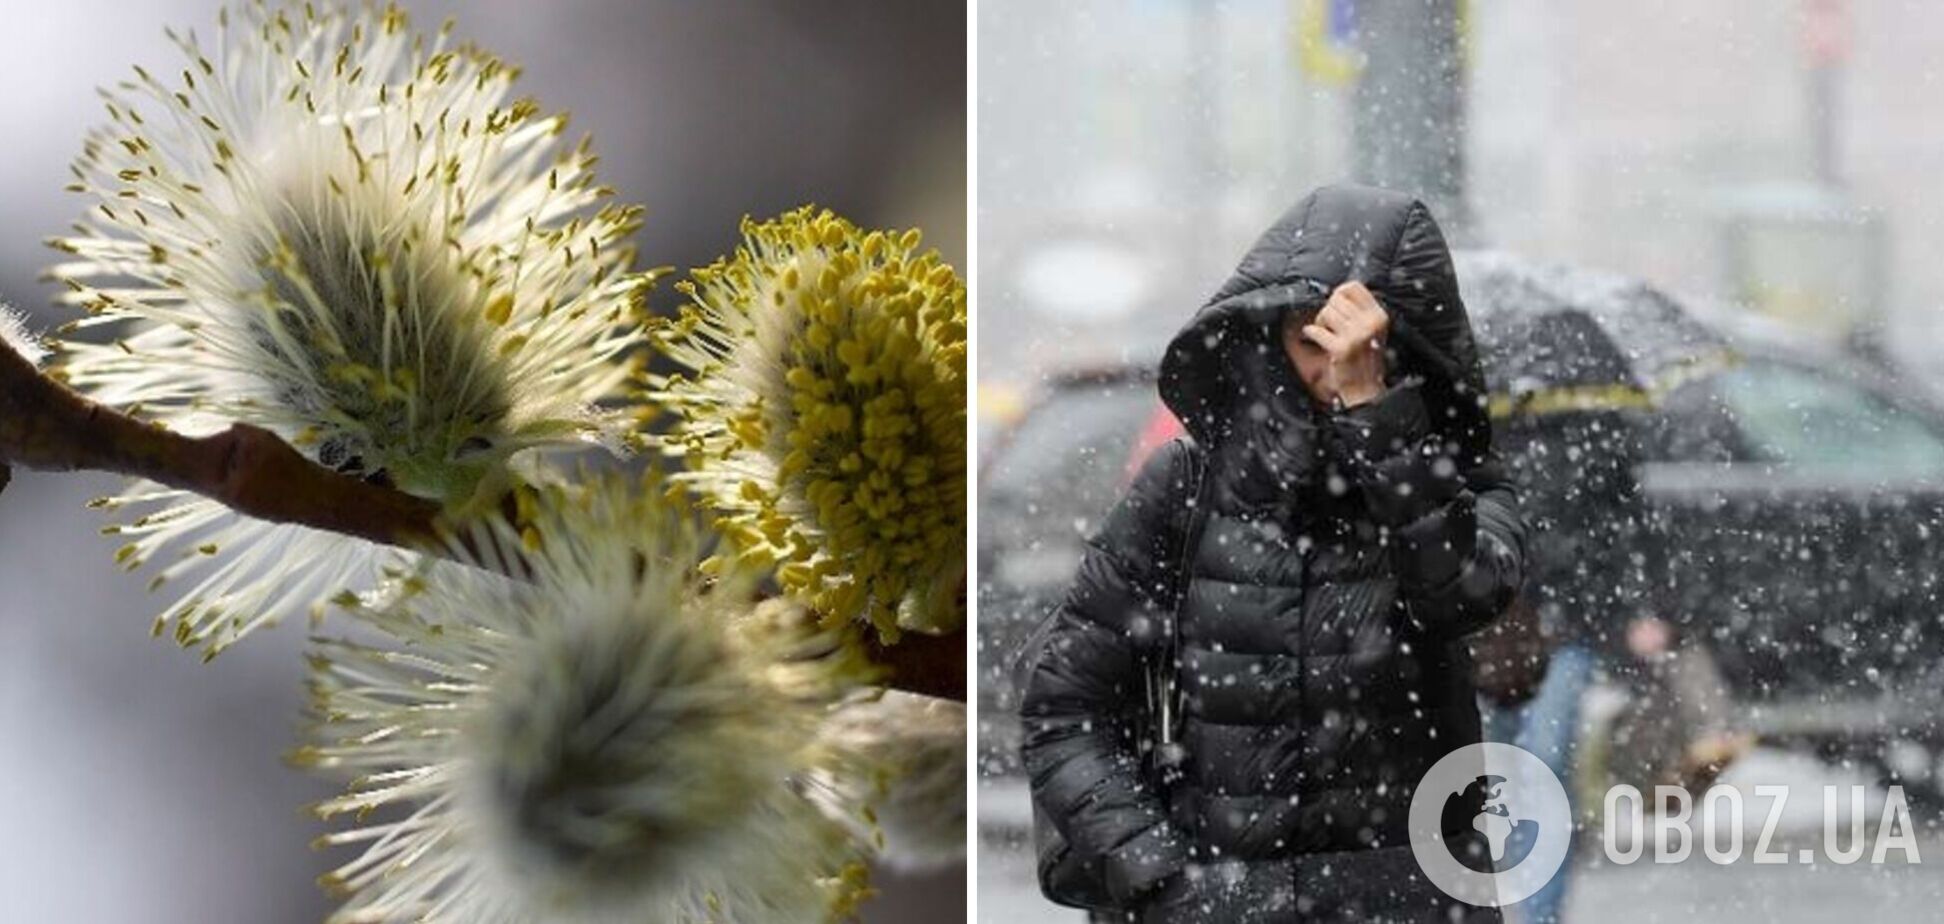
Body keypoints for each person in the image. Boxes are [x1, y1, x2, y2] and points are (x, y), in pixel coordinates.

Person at [1020, 184, 1528, 923]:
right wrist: (1164, 880)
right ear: (1269, 339)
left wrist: (1379, 421)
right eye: (1312, 342)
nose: (1333, 370)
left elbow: (1460, 597)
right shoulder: (1189, 485)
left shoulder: (1460, 486)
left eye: (1362, 346)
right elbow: (1065, 706)